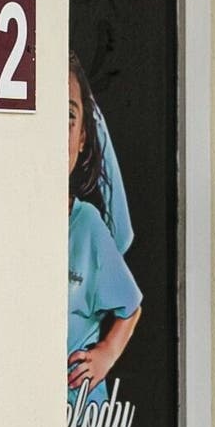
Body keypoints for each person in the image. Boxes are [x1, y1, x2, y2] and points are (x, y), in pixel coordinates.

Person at [69, 56, 141, 398]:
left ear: (83, 136)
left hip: (81, 412)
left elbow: (130, 307)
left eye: (68, 118)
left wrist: (106, 354)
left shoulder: (86, 225)